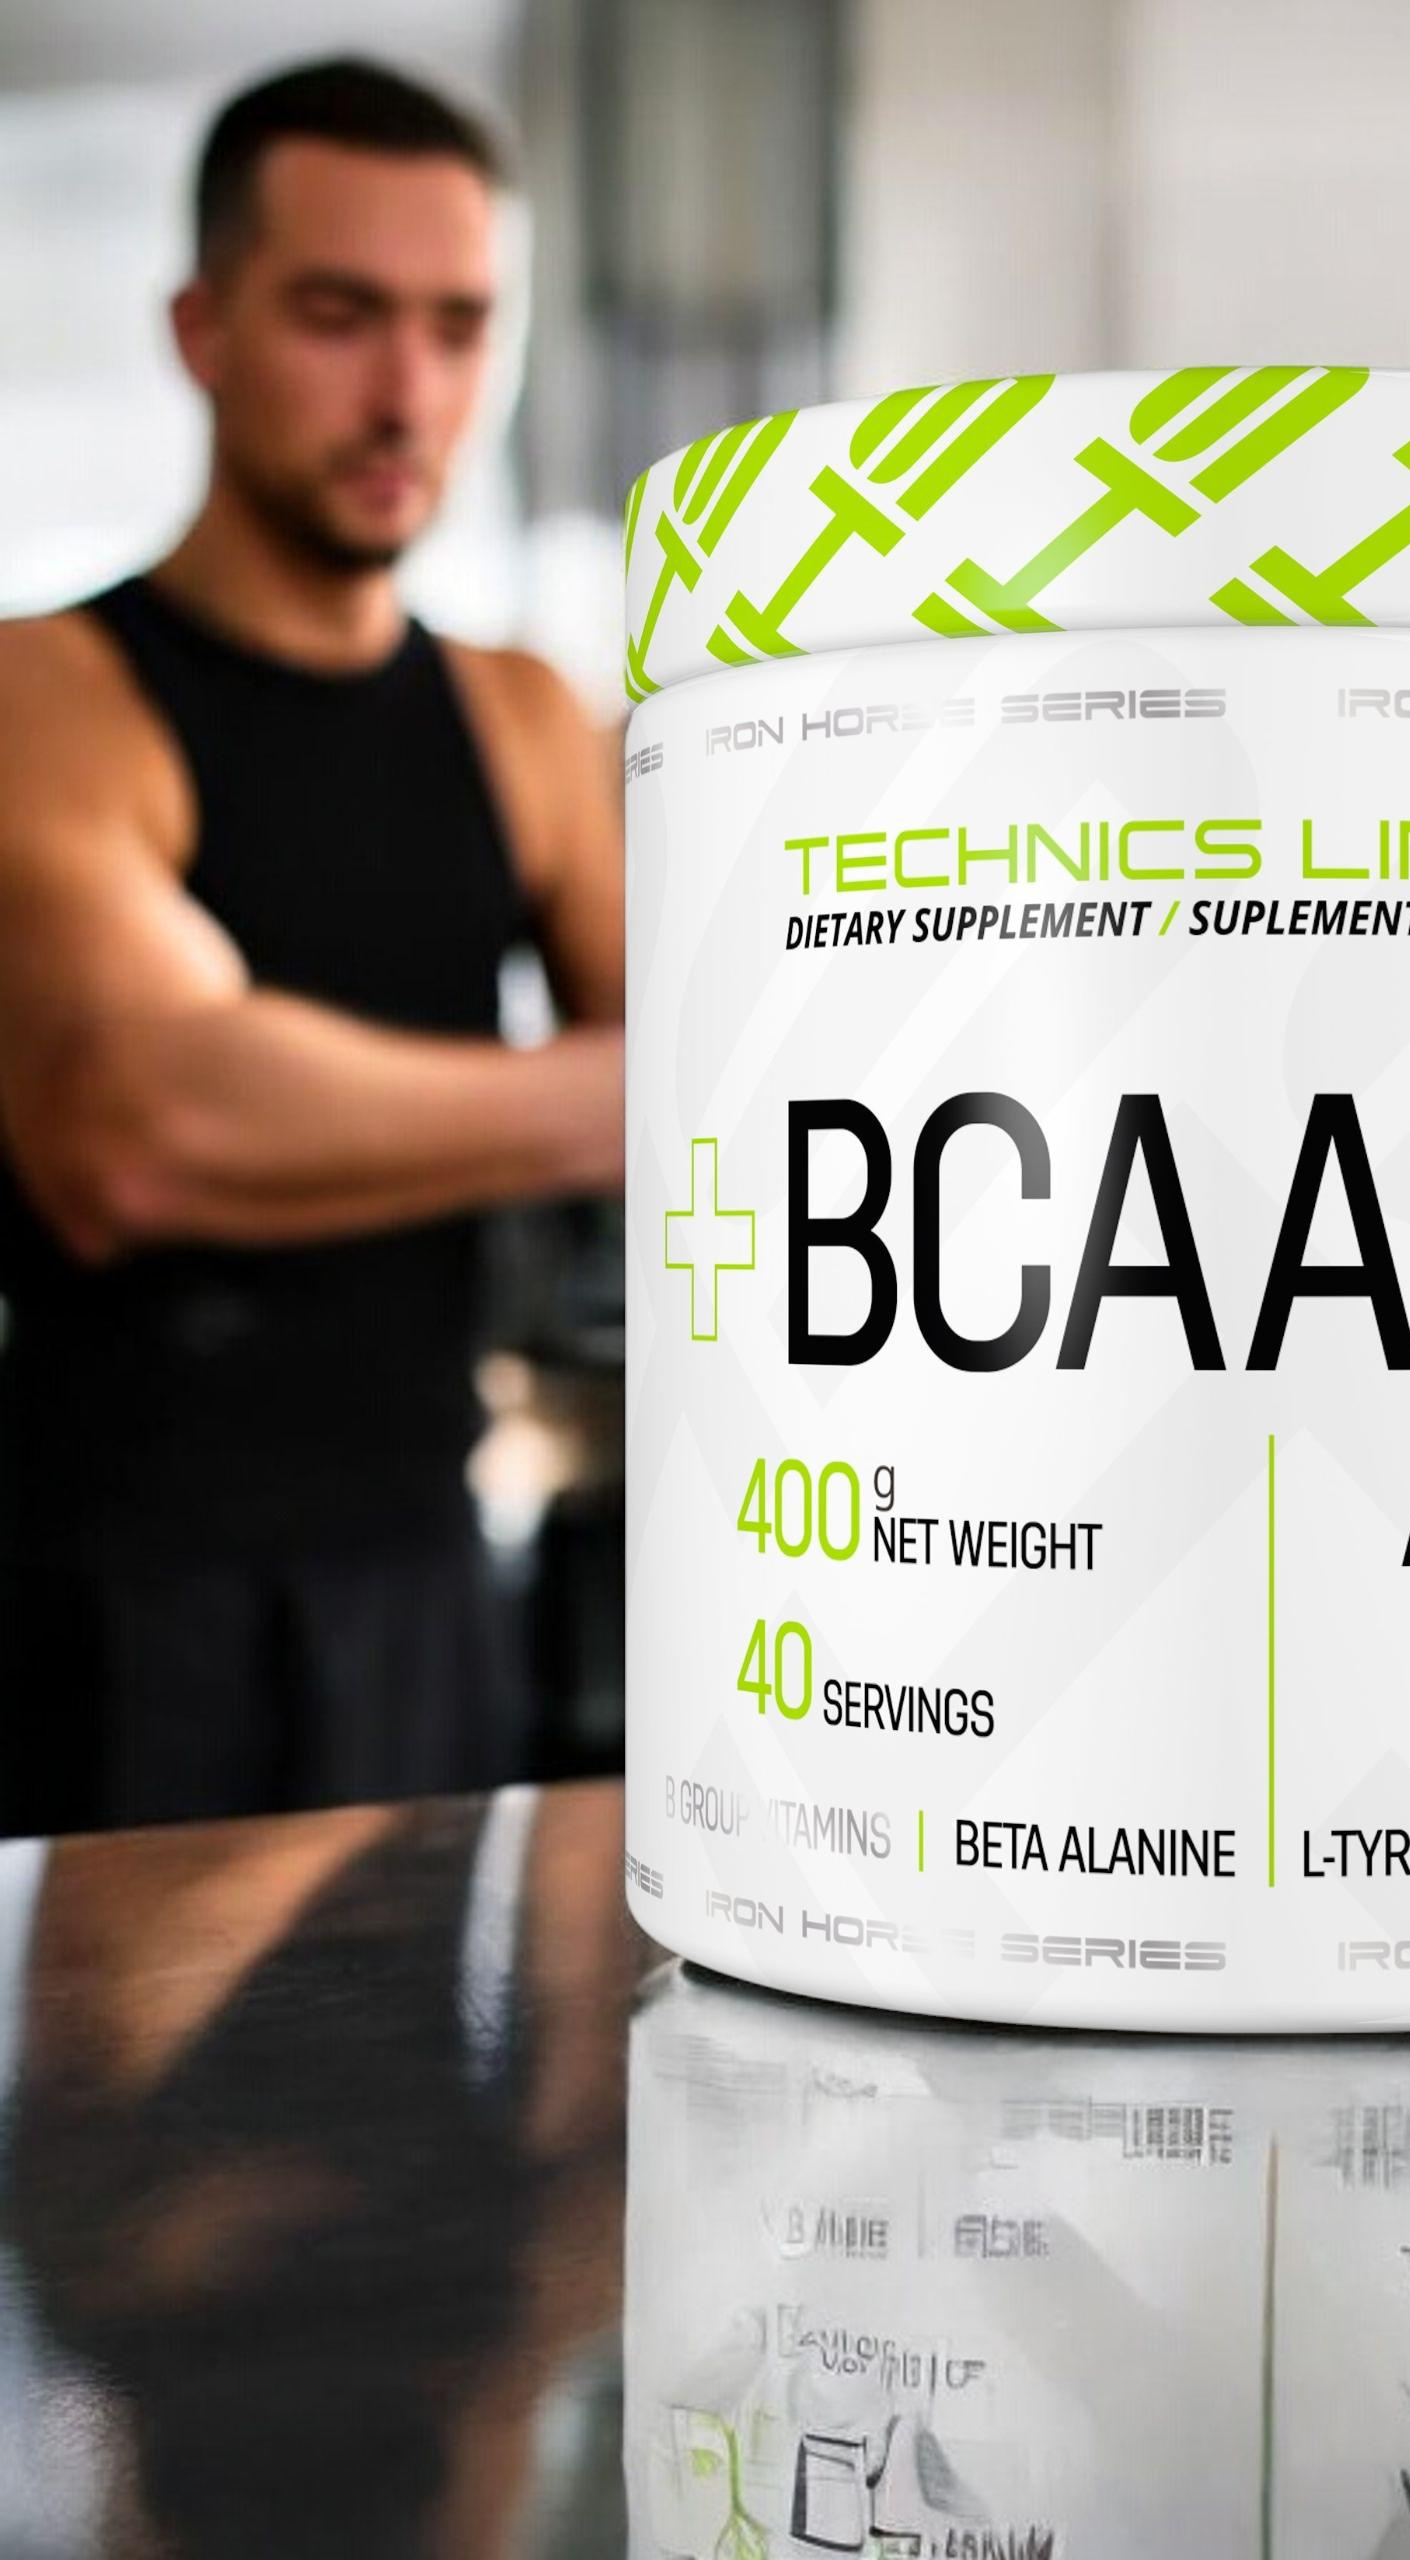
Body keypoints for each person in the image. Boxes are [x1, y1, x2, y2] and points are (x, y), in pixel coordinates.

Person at [0, 59, 623, 1836]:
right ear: (201, 330)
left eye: (458, 326)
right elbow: (139, 1126)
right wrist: (624, 1092)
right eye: (340, 317)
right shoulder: (49, 691)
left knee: (442, 2037)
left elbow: (750, 1106)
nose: (407, 393)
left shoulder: (521, 720)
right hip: (115, 1615)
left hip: (428, 1591)